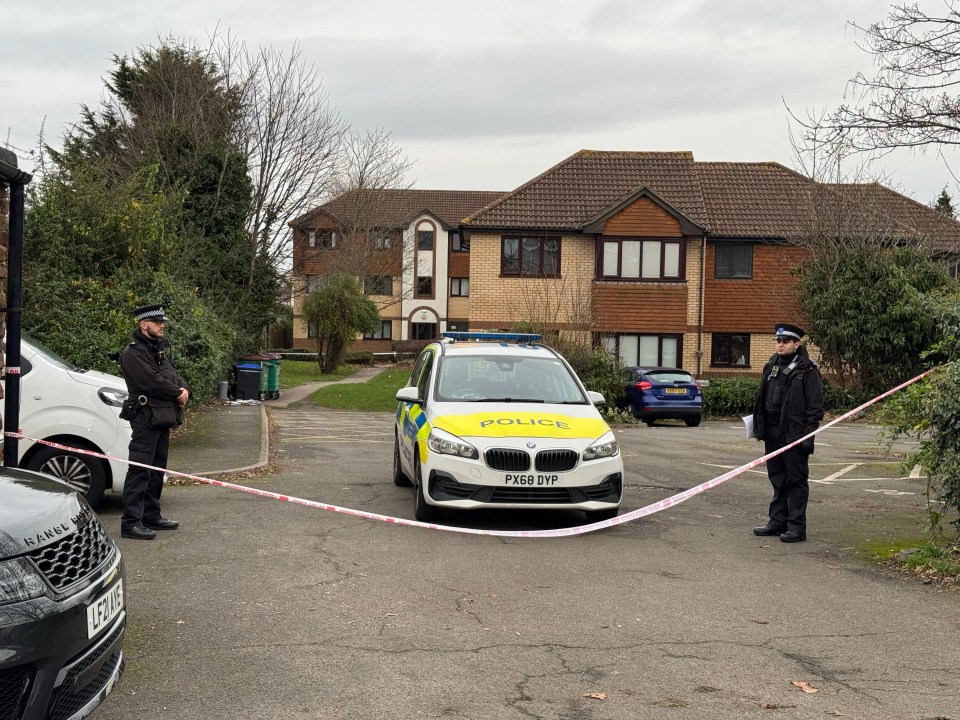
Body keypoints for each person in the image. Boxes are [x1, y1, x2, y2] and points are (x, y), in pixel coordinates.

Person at [119, 304, 190, 540]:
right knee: (140, 470)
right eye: (157, 322)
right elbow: (152, 382)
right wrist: (176, 393)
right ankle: (130, 522)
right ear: (144, 324)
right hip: (145, 417)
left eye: (163, 322)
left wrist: (184, 389)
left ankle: (151, 515)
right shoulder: (133, 352)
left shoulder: (157, 349)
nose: (162, 325)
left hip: (162, 416)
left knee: (156, 470)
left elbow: (172, 374)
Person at [751, 323, 824, 543]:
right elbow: (763, 398)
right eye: (778, 341)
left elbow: (815, 407)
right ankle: (777, 521)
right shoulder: (771, 364)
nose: (780, 345)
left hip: (794, 434)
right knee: (777, 478)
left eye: (785, 342)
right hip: (773, 432)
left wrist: (807, 437)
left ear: (796, 344)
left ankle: (797, 527)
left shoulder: (807, 369)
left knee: (796, 480)